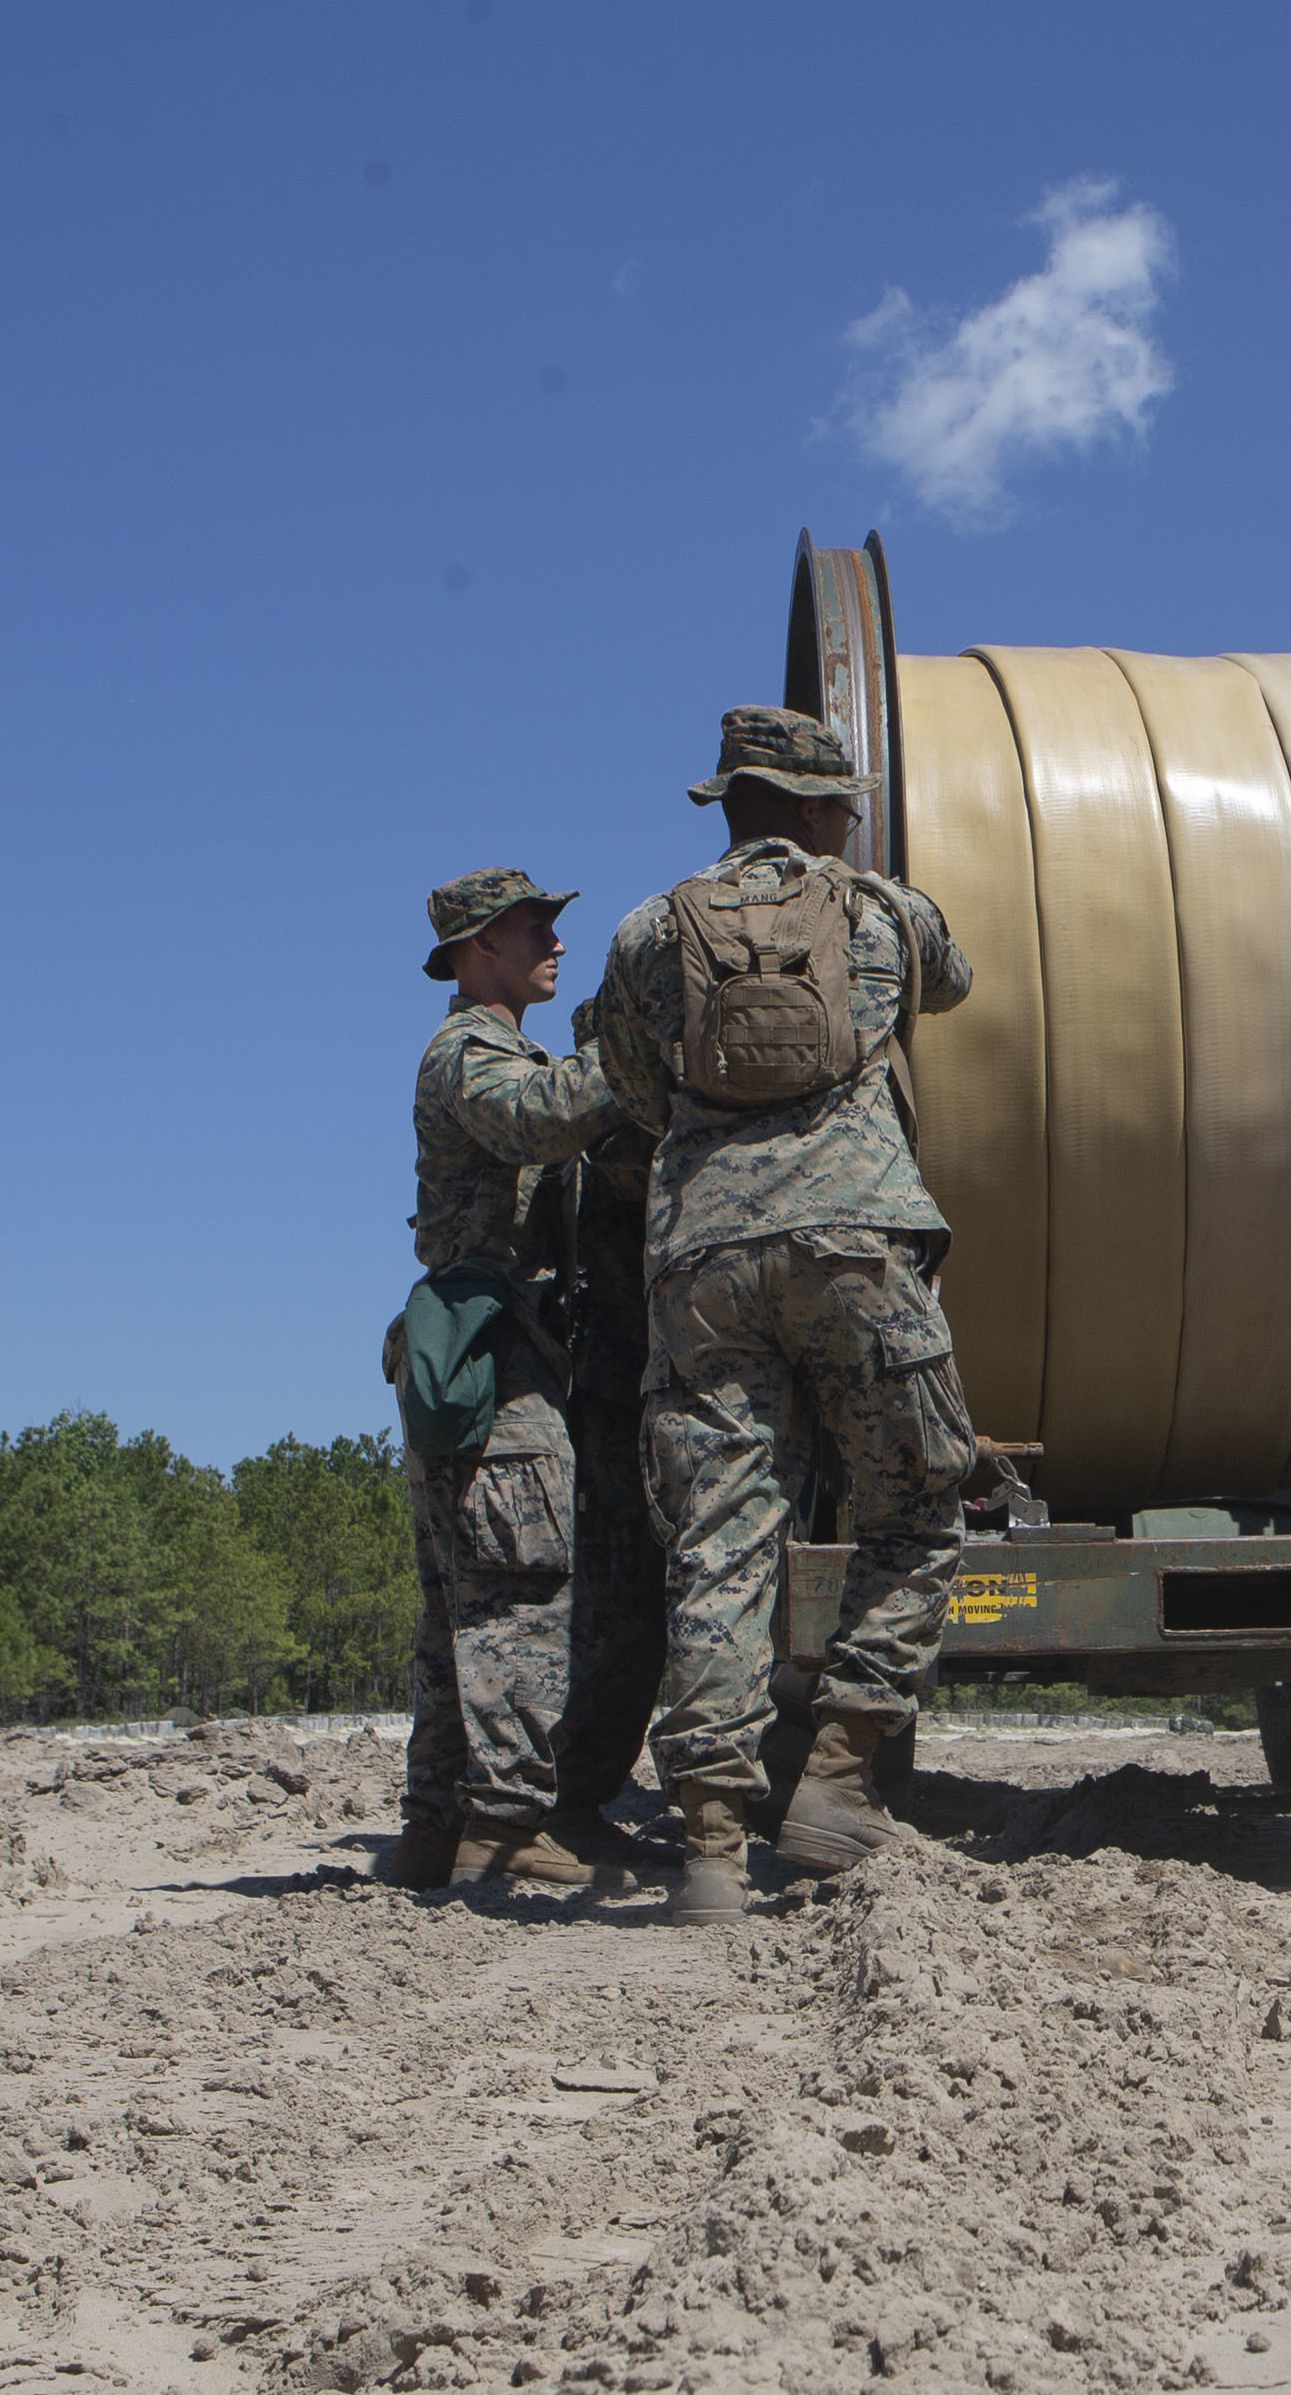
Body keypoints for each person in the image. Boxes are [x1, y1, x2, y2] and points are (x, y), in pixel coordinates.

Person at [593, 707, 978, 1921]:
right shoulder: (884, 912)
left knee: (721, 1540)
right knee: (915, 1505)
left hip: (702, 1255)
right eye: (842, 806)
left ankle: (710, 1842)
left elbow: (630, 1083)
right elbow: (954, 985)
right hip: (855, 1242)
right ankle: (841, 1781)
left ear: (728, 802)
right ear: (815, 809)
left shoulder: (649, 930)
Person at [392, 869, 641, 1891]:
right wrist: (635, 1047)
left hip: (492, 1342)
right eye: (534, 926)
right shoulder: (471, 1052)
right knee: (516, 1583)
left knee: (460, 1594)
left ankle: (433, 1829)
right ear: (475, 947)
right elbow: (540, 1119)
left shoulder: (499, 1044)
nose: (555, 942)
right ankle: (502, 1829)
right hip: (495, 1349)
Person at [543, 1086, 669, 1865]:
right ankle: (570, 1798)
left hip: (663, 1384)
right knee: (624, 1608)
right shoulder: (617, 1119)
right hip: (622, 1391)